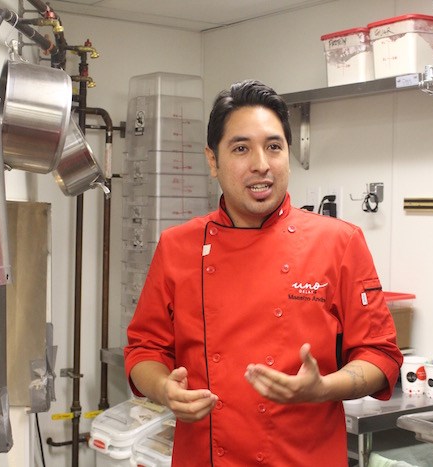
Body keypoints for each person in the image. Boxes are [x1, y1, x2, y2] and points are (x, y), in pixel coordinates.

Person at [124, 79, 403, 466]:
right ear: (212, 160)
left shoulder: (340, 242)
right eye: (241, 148)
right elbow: (144, 349)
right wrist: (164, 389)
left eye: (274, 147)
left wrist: (323, 388)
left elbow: (380, 355)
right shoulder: (178, 246)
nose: (261, 164)